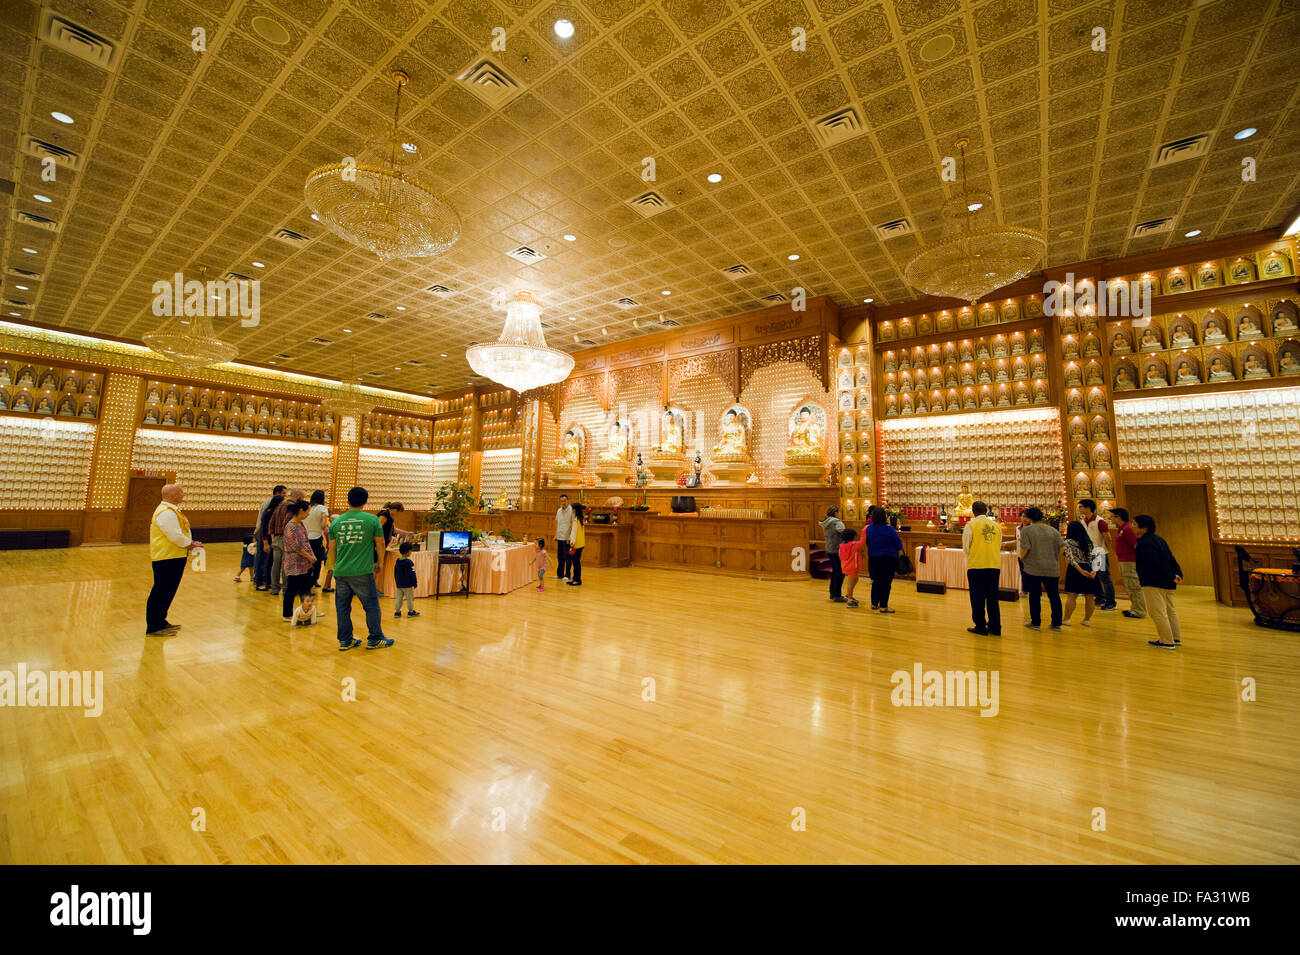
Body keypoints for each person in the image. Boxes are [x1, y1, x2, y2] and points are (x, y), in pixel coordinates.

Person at [327, 486, 392, 651]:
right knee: (371, 605)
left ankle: (345, 640)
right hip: (362, 571)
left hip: (341, 571)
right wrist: (381, 562)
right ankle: (375, 638)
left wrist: (334, 568)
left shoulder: (336, 522)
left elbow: (332, 548)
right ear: (365, 501)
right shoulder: (372, 520)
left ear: (348, 501)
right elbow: (381, 542)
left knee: (342, 607)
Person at [146, 483, 202, 636]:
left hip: (174, 555)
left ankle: (160, 621)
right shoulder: (166, 512)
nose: (183, 494)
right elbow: (174, 534)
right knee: (161, 591)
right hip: (167, 557)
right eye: (181, 492)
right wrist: (190, 544)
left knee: (167, 591)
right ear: (173, 495)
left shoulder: (171, 511)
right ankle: (154, 625)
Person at [1134, 515, 1183, 649]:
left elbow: (1153, 563)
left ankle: (1167, 640)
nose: (1132, 526)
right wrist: (1177, 574)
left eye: (1134, 524)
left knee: (1158, 612)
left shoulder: (1144, 543)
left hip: (1154, 581)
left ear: (1143, 528)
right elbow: (1170, 558)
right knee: (1170, 610)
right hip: (1166, 581)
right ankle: (1175, 637)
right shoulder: (1159, 540)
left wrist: (1170, 575)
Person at [1018, 507, 1064, 630]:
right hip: (1052, 567)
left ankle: (1036, 622)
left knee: (1034, 595)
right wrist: (1053, 557)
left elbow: (1025, 548)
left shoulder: (1027, 530)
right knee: (1054, 596)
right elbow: (1062, 547)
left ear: (1029, 518)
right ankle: (1056, 623)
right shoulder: (1053, 530)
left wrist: (1021, 558)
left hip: (1033, 568)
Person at [962, 500, 1003, 636]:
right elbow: (999, 545)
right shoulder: (996, 526)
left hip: (977, 565)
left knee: (977, 597)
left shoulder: (971, 525)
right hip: (994, 564)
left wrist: (975, 554)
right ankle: (995, 627)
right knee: (993, 597)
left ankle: (980, 626)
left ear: (973, 511)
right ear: (986, 510)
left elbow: (966, 547)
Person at [281, 500, 317, 622]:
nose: (308, 514)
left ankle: (308, 611)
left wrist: (311, 556)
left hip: (305, 562)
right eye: (307, 511)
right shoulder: (290, 526)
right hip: (295, 562)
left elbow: (306, 543)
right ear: (301, 511)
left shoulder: (301, 524)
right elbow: (296, 547)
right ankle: (287, 614)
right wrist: (309, 557)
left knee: (306, 588)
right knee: (292, 588)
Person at [1078, 499, 1116, 610]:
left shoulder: (1100, 521)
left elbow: (1107, 538)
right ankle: (1100, 597)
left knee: (1104, 577)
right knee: (1094, 577)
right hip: (1090, 553)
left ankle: (1111, 601)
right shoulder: (1083, 521)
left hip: (1099, 552)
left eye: (1081, 507)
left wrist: (1105, 550)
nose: (1079, 509)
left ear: (1088, 507)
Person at [865, 506, 904, 613]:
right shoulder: (889, 529)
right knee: (886, 582)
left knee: (876, 581)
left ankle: (874, 603)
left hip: (873, 558)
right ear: (884, 516)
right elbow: (898, 544)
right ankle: (883, 606)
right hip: (888, 559)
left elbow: (867, 542)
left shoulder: (869, 529)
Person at [1110, 507, 1146, 619]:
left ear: (1118, 517)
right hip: (1123, 560)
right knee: (1129, 586)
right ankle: (1134, 608)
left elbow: (1136, 545)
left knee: (1134, 585)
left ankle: (1139, 610)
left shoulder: (1127, 529)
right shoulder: (1121, 528)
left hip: (1130, 561)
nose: (1110, 519)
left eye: (1112, 517)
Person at [268, 488, 305, 597]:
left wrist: (273, 536)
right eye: (302, 498)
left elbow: (271, 521)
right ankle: (285, 589)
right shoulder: (292, 507)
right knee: (286, 564)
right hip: (286, 539)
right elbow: (287, 524)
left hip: (277, 538)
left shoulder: (280, 505)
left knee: (276, 564)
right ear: (298, 497)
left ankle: (274, 588)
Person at [1062, 520, 1098, 626]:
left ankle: (1066, 619)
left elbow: (1071, 559)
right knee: (1090, 596)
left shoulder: (1068, 542)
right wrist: (1094, 571)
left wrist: (1080, 570)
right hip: (1090, 568)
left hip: (1075, 569)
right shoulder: (1089, 542)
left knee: (1072, 596)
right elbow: (1096, 557)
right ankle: (1087, 620)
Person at [253, 485, 285, 590]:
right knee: (261, 559)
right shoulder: (268, 511)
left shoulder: (274, 511)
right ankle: (258, 581)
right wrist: (265, 541)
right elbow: (262, 527)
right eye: (283, 493)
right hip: (263, 536)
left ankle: (268, 581)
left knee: (269, 560)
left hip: (269, 537)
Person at [819, 505, 846, 602]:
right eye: (839, 512)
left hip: (829, 549)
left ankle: (832, 592)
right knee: (840, 573)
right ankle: (837, 595)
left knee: (835, 571)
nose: (840, 514)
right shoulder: (837, 522)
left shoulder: (826, 522)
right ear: (835, 513)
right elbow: (845, 533)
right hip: (837, 549)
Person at [305, 489, 330, 586]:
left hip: (305, 537)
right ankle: (314, 579)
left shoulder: (308, 507)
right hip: (316, 537)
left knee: (306, 558)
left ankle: (306, 579)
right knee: (317, 559)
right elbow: (323, 525)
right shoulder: (323, 508)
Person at [837, 527, 865, 608]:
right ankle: (849, 600)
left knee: (854, 580)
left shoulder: (842, 545)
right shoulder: (854, 545)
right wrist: (864, 531)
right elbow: (863, 541)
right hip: (852, 567)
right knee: (851, 585)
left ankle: (849, 595)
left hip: (846, 566)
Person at [392, 541, 419, 618]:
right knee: (410, 598)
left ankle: (397, 612)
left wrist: (397, 581)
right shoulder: (409, 562)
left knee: (399, 598)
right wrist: (415, 583)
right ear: (407, 552)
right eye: (411, 550)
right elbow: (412, 573)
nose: (411, 552)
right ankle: (410, 611)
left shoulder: (397, 561)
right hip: (408, 584)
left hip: (399, 584)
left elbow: (395, 572)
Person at [374, 508, 394, 595]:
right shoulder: (385, 515)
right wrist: (376, 544)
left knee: (375, 567)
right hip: (377, 545)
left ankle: (373, 589)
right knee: (375, 567)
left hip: (381, 544)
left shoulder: (388, 517)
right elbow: (377, 529)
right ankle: (372, 590)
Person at [566, 504, 586, 586]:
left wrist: (571, 543)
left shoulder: (575, 520)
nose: (572, 510)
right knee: (576, 562)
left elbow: (574, 533)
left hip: (576, 544)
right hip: (581, 544)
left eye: (572, 509)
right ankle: (575, 578)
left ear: (575, 510)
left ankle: (577, 580)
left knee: (575, 562)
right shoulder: (580, 519)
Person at [555, 494, 574, 581]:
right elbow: (558, 524)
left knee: (567, 557)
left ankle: (567, 575)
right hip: (560, 537)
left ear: (568, 501)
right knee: (560, 557)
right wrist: (556, 534)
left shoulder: (571, 511)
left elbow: (573, 524)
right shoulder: (558, 511)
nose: (563, 503)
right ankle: (560, 574)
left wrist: (570, 537)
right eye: (562, 501)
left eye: (565, 501)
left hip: (567, 538)